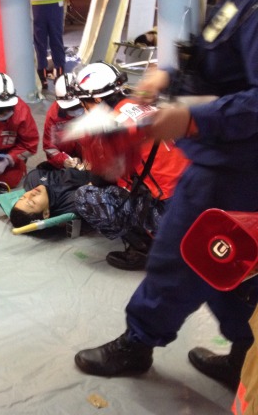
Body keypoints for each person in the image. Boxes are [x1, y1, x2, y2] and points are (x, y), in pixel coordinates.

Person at [74, 0, 258, 391]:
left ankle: (138, 344)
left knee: (178, 255)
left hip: (234, 168)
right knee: (228, 264)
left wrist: (191, 118)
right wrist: (167, 74)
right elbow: (219, 62)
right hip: (223, 160)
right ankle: (246, 353)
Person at [69, 62, 190, 271]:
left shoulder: (109, 126)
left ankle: (144, 247)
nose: (83, 108)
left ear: (96, 99)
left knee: (86, 196)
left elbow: (100, 179)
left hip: (171, 214)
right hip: (196, 199)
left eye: (84, 103)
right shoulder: (145, 107)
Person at [28, 0, 77, 91]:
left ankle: (42, 78)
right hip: (56, 6)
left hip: (36, 6)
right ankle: (60, 76)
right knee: (57, 40)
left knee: (39, 42)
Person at [9, 166, 95, 229]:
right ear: (46, 213)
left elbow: (47, 164)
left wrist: (63, 161)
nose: (30, 194)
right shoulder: (75, 201)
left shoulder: (33, 179)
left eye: (23, 197)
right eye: (32, 202)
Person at [42, 74, 86, 170]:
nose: (74, 111)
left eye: (77, 106)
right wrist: (64, 160)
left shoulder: (93, 108)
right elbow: (49, 146)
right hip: (66, 162)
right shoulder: (53, 116)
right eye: (70, 107)